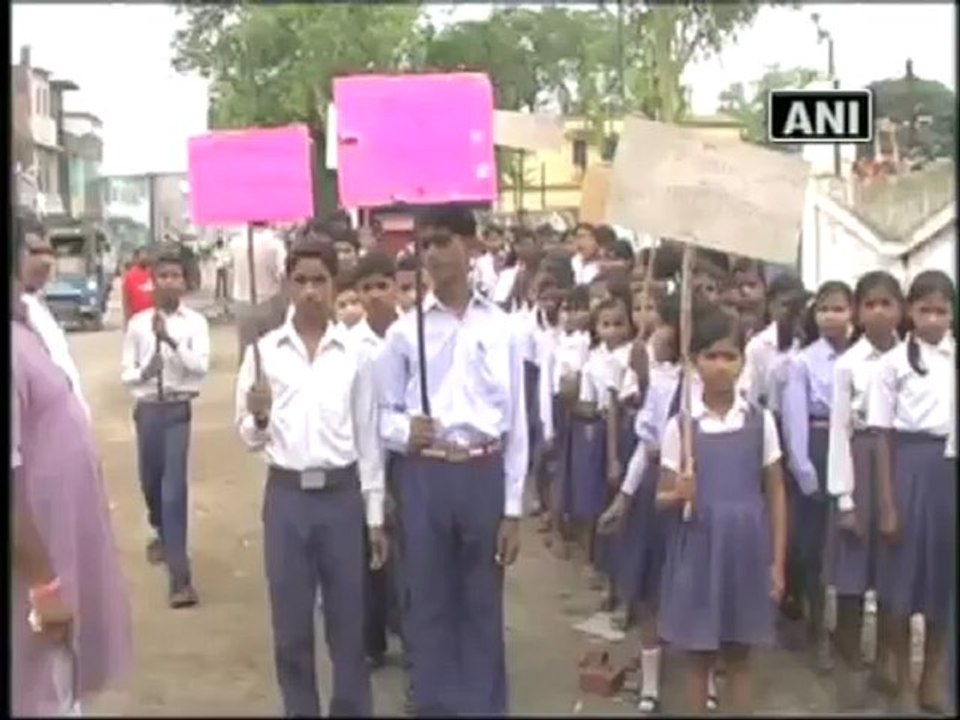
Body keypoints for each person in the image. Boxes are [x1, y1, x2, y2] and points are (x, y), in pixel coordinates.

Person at [375, 206, 527, 715]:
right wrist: (404, 431)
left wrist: (512, 508)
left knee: (482, 600)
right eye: (425, 245)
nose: (433, 253)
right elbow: (383, 416)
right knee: (429, 599)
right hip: (427, 474)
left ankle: (484, 706)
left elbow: (519, 423)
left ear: (471, 245)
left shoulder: (505, 328)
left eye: (443, 241)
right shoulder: (403, 333)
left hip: (482, 470)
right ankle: (435, 704)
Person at [235, 237, 387, 717]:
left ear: (334, 284)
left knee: (348, 626)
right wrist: (258, 417)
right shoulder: (264, 354)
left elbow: (368, 438)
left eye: (319, 280)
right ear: (286, 285)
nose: (309, 292)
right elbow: (249, 438)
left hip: (341, 498)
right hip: (287, 499)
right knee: (291, 629)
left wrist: (375, 515)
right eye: (299, 280)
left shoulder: (356, 354)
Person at [12, 210, 132, 716]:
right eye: (30, 249)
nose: (42, 260)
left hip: (55, 544)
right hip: (34, 568)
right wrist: (45, 583)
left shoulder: (29, 323)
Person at [656, 309, 787, 714]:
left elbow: (777, 493)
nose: (720, 366)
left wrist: (777, 563)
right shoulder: (682, 427)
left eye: (729, 356)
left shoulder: (760, 421)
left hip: (746, 550)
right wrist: (679, 491)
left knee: (740, 654)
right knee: (698, 656)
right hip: (699, 549)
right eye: (711, 356)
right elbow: (659, 498)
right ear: (694, 362)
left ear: (742, 363)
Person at [867, 270, 956, 713]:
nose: (934, 319)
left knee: (944, 583)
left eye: (943, 310)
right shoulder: (894, 364)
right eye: (926, 310)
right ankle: (902, 680)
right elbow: (881, 435)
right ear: (910, 312)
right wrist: (886, 503)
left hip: (949, 474)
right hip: (908, 468)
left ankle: (932, 678)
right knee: (901, 586)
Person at [599, 292, 683, 714]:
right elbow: (645, 447)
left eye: (664, 324)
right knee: (651, 588)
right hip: (656, 487)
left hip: (700, 491)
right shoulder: (660, 382)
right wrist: (626, 497)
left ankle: (700, 676)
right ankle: (650, 681)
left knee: (692, 587)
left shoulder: (712, 386)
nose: (656, 332)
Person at [824, 271, 904, 708]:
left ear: (900, 310)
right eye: (869, 304)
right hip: (858, 459)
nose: (878, 311)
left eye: (886, 303)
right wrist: (846, 498)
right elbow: (838, 431)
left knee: (894, 564)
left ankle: (887, 658)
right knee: (852, 570)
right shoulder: (848, 365)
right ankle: (848, 652)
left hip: (897, 463)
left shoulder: (913, 359)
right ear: (858, 310)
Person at [121, 246, 210, 608]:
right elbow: (126, 373)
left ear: (185, 282)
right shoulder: (138, 325)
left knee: (174, 492)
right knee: (150, 484)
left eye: (176, 276)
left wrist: (171, 341)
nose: (171, 283)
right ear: (152, 283)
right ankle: (161, 530)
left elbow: (200, 368)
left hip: (177, 410)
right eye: (164, 277)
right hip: (147, 410)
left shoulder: (195, 324)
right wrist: (146, 371)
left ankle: (180, 578)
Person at [781, 280, 854, 672]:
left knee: (846, 543)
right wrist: (804, 467)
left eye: (839, 308)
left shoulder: (862, 357)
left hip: (853, 447)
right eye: (824, 309)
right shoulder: (803, 361)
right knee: (813, 546)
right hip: (818, 445)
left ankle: (845, 632)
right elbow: (795, 419)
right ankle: (814, 628)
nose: (831, 316)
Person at [17, 212, 90, 420]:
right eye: (34, 251)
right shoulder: (19, 315)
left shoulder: (36, 305)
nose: (46, 261)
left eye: (49, 252)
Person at [742, 272, 807, 407]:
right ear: (771, 306)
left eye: (798, 305)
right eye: (786, 305)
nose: (793, 311)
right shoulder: (758, 346)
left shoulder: (811, 341)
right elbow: (751, 396)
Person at [230, 224, 287, 362]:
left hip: (242, 301)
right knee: (273, 350)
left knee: (246, 351)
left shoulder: (235, 242)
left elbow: (231, 267)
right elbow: (283, 273)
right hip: (269, 300)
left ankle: (247, 381)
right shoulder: (275, 243)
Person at [122, 246, 154, 328]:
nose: (145, 257)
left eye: (147, 254)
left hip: (154, 319)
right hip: (137, 319)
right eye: (142, 255)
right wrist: (127, 321)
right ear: (136, 258)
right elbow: (126, 300)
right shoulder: (130, 276)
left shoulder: (155, 274)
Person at [213, 236, 232, 302]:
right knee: (218, 282)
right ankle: (217, 295)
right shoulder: (216, 250)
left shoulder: (224, 250)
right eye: (219, 244)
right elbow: (215, 257)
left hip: (223, 267)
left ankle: (224, 294)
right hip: (218, 267)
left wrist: (225, 261)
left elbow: (227, 258)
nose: (219, 245)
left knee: (224, 282)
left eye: (220, 243)